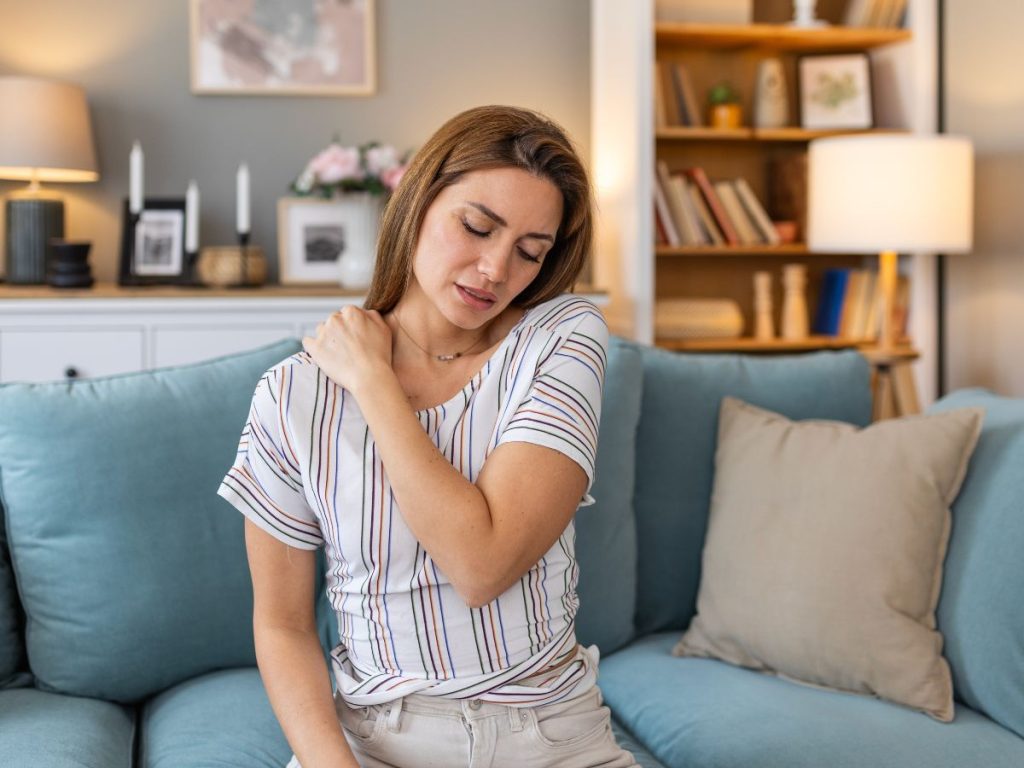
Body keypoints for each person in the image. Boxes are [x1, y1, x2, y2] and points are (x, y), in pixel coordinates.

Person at [218, 105, 637, 768]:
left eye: (530, 251)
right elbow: (283, 625)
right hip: (375, 740)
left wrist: (375, 385)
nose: (496, 269)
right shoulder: (292, 393)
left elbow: (481, 565)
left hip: (551, 739)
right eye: (476, 227)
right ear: (416, 203)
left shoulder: (560, 341)